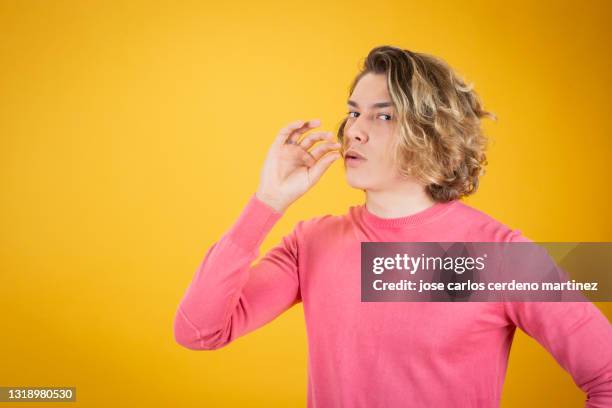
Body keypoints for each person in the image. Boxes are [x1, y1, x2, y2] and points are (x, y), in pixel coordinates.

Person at [173, 45, 612, 407]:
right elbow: (199, 331)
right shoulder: (312, 242)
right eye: (354, 113)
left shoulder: (502, 259)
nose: (354, 132)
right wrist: (267, 202)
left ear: (434, 134)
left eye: (383, 116)